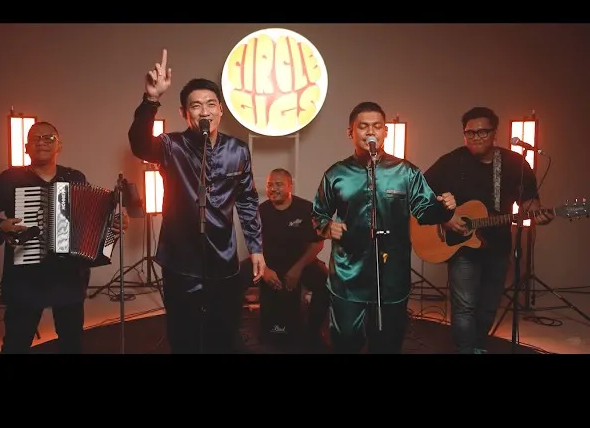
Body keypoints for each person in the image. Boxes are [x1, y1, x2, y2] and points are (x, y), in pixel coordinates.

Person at [128, 48, 266, 354]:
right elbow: (139, 144)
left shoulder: (238, 150)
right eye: (196, 106)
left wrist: (256, 247)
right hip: (180, 259)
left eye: (211, 104)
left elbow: (246, 200)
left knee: (223, 334)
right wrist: (151, 99)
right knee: (184, 336)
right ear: (184, 113)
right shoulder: (171, 146)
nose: (205, 112)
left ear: (221, 110)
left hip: (224, 259)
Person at [0, 121, 129, 354]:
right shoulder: (10, 179)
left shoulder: (74, 178)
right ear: (26, 147)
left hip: (68, 275)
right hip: (26, 277)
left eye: (49, 138)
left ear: (59, 146)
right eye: (35, 138)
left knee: (71, 343)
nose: (42, 142)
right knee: (16, 344)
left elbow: (90, 221)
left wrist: (114, 225)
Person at [311, 101, 457, 354]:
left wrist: (445, 208)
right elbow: (317, 214)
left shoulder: (406, 172)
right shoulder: (336, 174)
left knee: (388, 344)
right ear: (350, 132)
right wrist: (326, 226)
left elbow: (425, 212)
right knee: (345, 341)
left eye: (377, 126)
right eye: (363, 126)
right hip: (347, 277)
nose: (371, 132)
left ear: (385, 131)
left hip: (392, 277)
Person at [423, 106, 554, 354]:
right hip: (461, 247)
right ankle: (464, 349)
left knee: (488, 306)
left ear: (495, 133)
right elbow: (421, 193)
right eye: (470, 133)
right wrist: (445, 218)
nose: (476, 137)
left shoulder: (515, 163)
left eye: (482, 132)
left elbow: (529, 202)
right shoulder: (451, 161)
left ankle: (478, 346)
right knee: (464, 306)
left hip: (498, 245)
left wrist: (540, 213)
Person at [239, 168, 328, 351]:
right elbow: (253, 245)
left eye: (278, 184)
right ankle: (234, 333)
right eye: (270, 185)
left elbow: (318, 244)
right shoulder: (260, 211)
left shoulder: (306, 209)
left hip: (300, 262)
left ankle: (312, 332)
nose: (273, 189)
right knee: (233, 278)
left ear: (289, 186)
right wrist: (263, 269)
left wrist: (298, 269)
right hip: (267, 263)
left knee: (328, 283)